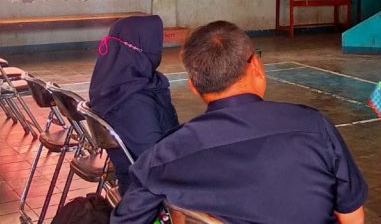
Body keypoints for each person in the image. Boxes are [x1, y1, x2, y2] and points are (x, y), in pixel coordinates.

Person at [112, 21, 367, 224]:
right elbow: (352, 216)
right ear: (256, 65)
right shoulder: (315, 127)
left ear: (193, 86)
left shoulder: (164, 156)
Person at [88, 15, 179, 193]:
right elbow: (154, 162)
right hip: (149, 190)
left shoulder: (113, 82)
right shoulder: (135, 101)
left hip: (136, 179)